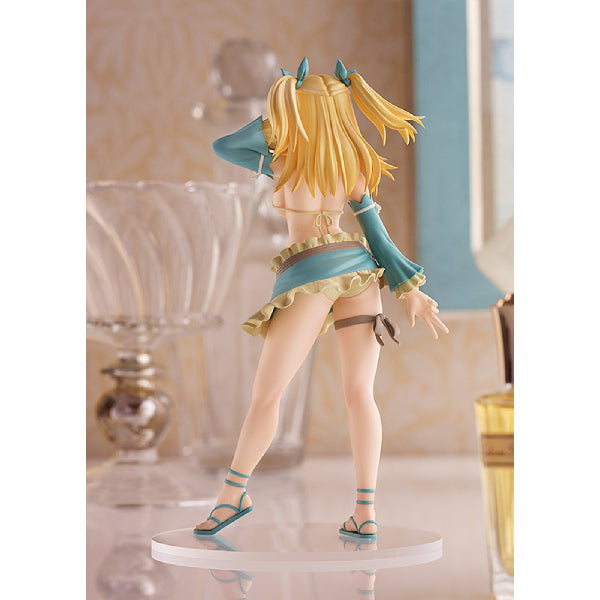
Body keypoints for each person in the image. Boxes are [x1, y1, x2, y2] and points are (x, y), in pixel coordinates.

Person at [194, 58, 448, 540]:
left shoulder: (282, 161)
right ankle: (365, 511)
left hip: (310, 274)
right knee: (360, 394)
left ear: (297, 110)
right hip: (358, 273)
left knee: (267, 395)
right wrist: (409, 288)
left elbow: (224, 145)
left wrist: (278, 117)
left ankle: (233, 494)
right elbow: (378, 238)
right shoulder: (351, 168)